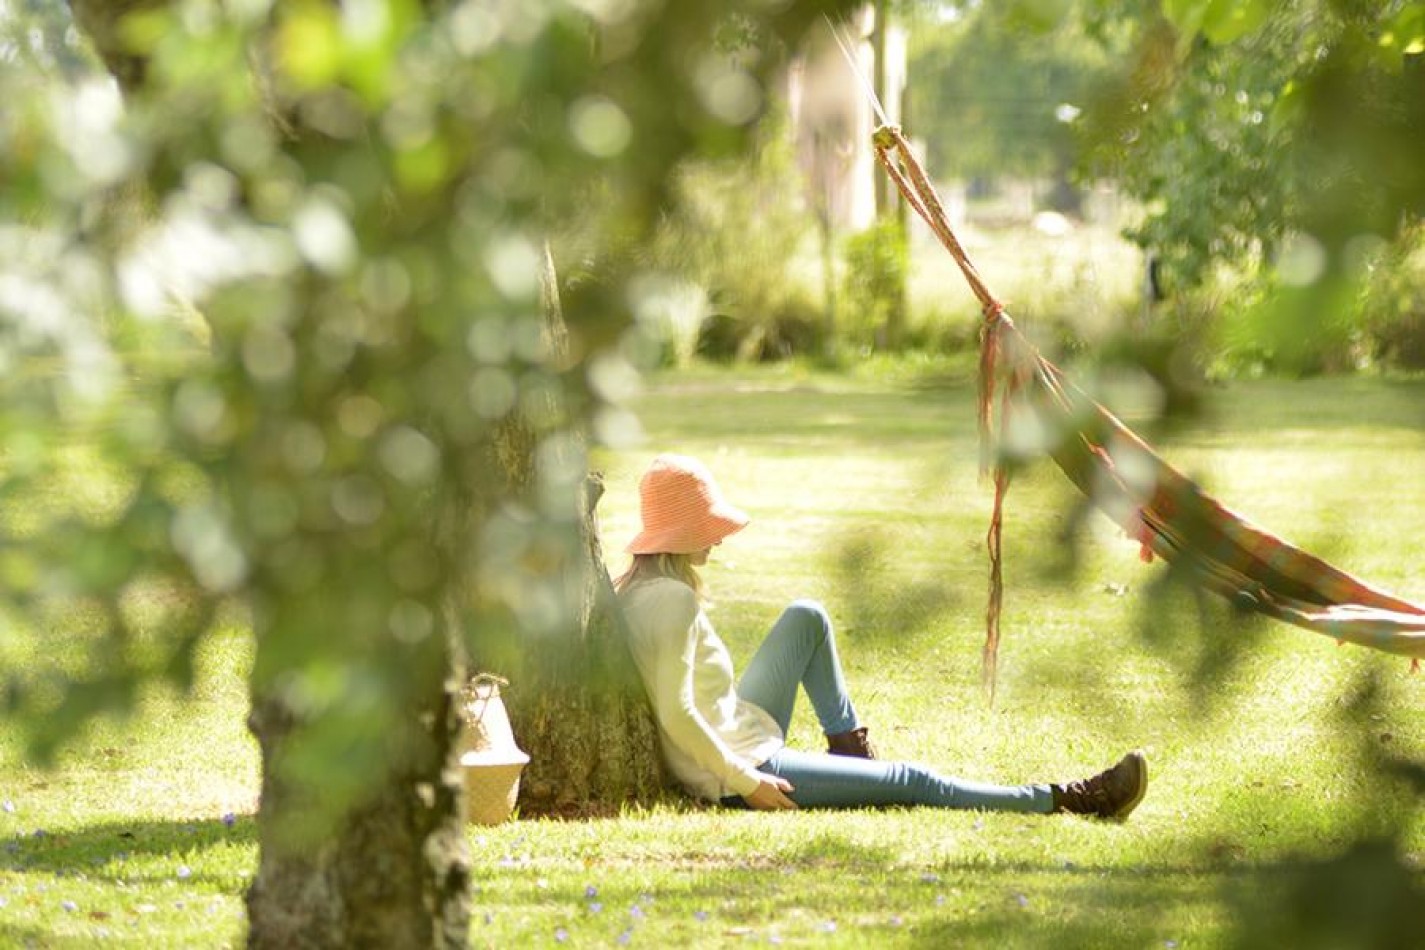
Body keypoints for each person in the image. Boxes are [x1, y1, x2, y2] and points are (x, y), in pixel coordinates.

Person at [615, 453, 1148, 818]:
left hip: (739, 726)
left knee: (807, 616)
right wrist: (746, 780)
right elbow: (676, 713)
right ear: (683, 531)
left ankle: (852, 756)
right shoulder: (674, 600)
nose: (719, 540)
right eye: (707, 527)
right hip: (737, 768)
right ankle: (1069, 798)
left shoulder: (637, 589)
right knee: (914, 782)